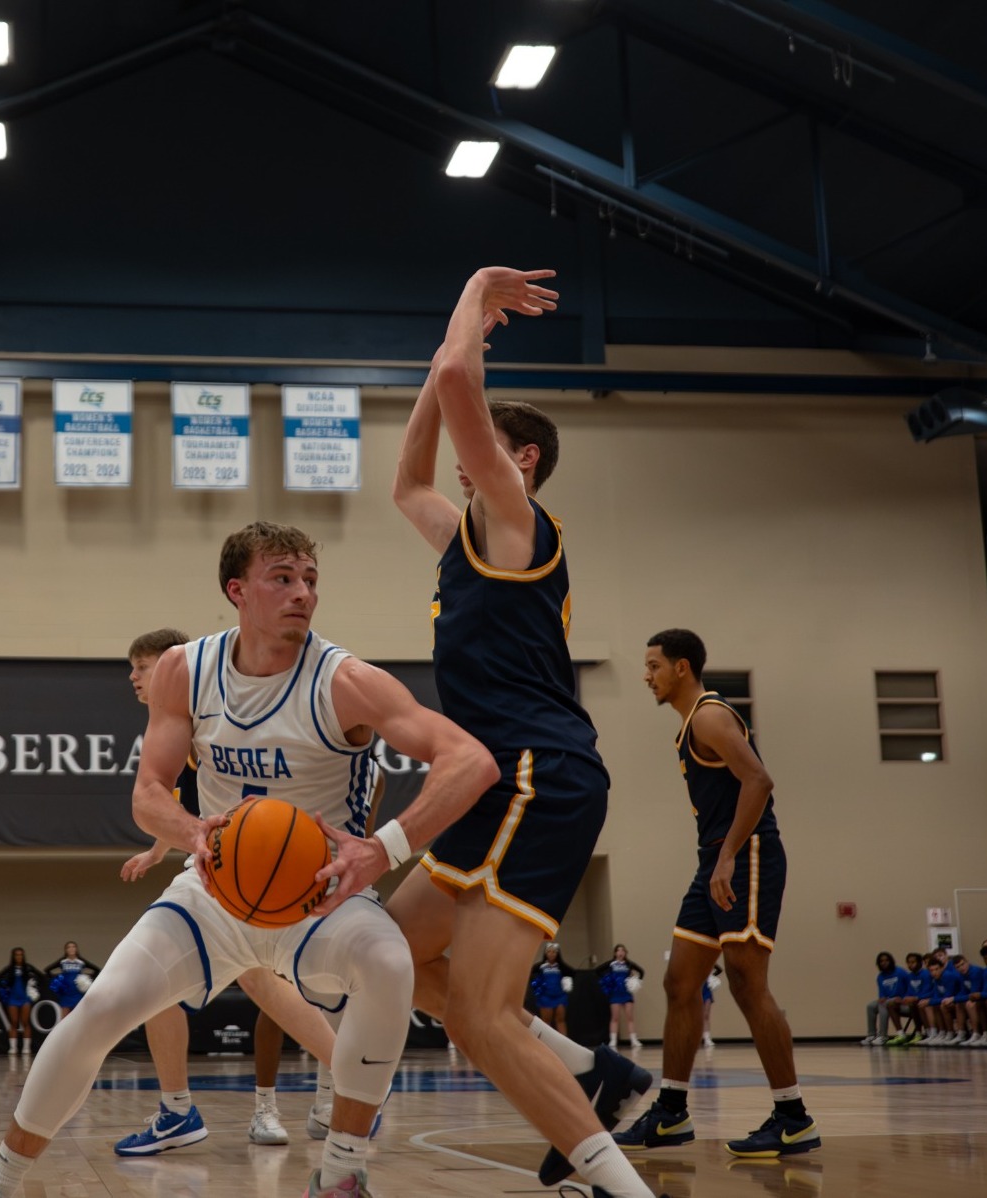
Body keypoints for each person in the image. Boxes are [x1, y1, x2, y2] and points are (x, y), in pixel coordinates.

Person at [0, 520, 500, 1198]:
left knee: (390, 961)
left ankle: (339, 1173)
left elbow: (470, 761)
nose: (302, 592)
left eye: (310, 580)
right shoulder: (183, 670)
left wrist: (383, 847)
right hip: (213, 893)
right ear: (236, 590)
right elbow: (148, 794)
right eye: (282, 577)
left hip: (317, 897)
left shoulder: (347, 681)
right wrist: (191, 832)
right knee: (98, 1008)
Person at [389, 266, 656, 1198]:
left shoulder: (515, 520)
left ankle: (617, 1186)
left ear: (524, 461)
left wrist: (468, 296)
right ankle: (593, 1073)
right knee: (393, 953)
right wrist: (438, 364)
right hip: (496, 782)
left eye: (488, 450)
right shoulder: (467, 534)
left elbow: (466, 386)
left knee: (478, 1016)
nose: (468, 462)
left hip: (537, 776)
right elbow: (405, 482)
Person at [113, 627, 339, 1154]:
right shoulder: (195, 719)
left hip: (250, 870)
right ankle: (350, 1075)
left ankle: (178, 1110)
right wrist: (156, 849)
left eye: (140, 666)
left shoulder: (198, 715)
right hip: (245, 868)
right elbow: (179, 802)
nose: (133, 677)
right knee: (251, 984)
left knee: (158, 979)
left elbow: (185, 803)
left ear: (169, 665)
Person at [619, 631, 818, 1159]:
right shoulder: (689, 725)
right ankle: (671, 1113)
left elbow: (758, 780)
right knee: (680, 981)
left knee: (748, 982)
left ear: (682, 667)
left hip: (746, 854)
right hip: (716, 858)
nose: (647, 675)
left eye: (653, 665)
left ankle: (793, 1117)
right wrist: (717, 857)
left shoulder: (709, 716)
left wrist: (729, 854)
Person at [0, 948, 43, 1055]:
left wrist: (34, 987)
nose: (19, 957)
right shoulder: (10, 969)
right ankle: (13, 1047)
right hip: (13, 998)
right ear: (13, 956)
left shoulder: (28, 968)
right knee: (14, 1022)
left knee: (25, 1022)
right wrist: (5, 986)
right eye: (16, 955)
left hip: (25, 998)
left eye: (21, 955)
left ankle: (26, 1048)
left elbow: (40, 976)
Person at [599, 945, 644, 1051]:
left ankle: (633, 1040)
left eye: (622, 950)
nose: (620, 952)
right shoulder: (611, 964)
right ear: (615, 953)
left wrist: (636, 981)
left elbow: (641, 971)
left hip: (626, 993)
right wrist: (607, 979)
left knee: (630, 1017)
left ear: (625, 953)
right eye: (618, 950)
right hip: (615, 994)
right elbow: (598, 970)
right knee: (615, 1018)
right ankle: (613, 1040)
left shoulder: (628, 964)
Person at [863, 952, 909, 1046]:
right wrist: (881, 998)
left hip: (901, 1002)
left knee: (884, 1005)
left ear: (891, 961)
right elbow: (882, 994)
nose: (884, 963)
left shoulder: (900, 972)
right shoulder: (880, 976)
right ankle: (871, 1035)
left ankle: (883, 1035)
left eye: (886, 960)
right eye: (881, 961)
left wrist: (903, 998)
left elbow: (910, 987)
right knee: (870, 1006)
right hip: (889, 999)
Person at [44, 943, 99, 1017]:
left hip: (77, 993)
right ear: (66, 950)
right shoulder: (62, 962)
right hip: (66, 993)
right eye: (69, 947)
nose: (71, 949)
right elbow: (47, 970)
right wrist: (56, 981)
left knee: (78, 1017)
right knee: (64, 1019)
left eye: (73, 947)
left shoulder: (81, 962)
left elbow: (97, 970)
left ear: (76, 949)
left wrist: (87, 979)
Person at [531, 944, 572, 1034]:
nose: (551, 954)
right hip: (545, 997)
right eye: (549, 951)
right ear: (545, 953)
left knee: (560, 1020)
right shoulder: (540, 966)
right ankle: (546, 1045)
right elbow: (530, 973)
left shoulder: (560, 966)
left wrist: (567, 983)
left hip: (560, 996)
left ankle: (563, 1043)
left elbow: (572, 972)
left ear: (557, 954)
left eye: (554, 952)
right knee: (546, 1021)